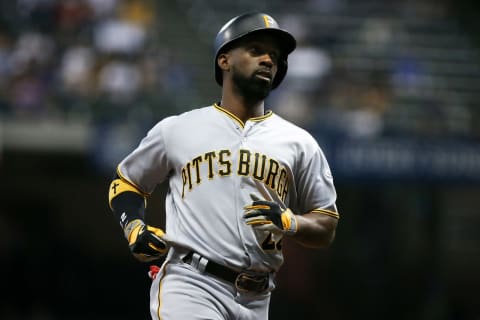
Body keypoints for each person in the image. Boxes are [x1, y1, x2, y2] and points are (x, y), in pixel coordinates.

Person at [108, 12, 340, 320]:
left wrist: (291, 222)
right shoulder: (178, 129)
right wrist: (134, 228)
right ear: (224, 60)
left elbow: (326, 224)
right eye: (256, 50)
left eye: (274, 55)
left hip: (258, 298)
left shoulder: (299, 142)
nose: (268, 60)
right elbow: (126, 181)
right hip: (191, 284)